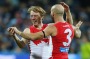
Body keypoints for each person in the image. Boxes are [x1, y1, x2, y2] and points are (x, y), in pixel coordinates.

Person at [8, 2, 82, 59]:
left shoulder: (50, 27)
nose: (33, 18)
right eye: (31, 16)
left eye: (35, 15)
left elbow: (66, 26)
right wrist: (14, 35)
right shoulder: (28, 30)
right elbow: (21, 45)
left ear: (42, 17)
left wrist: (68, 13)